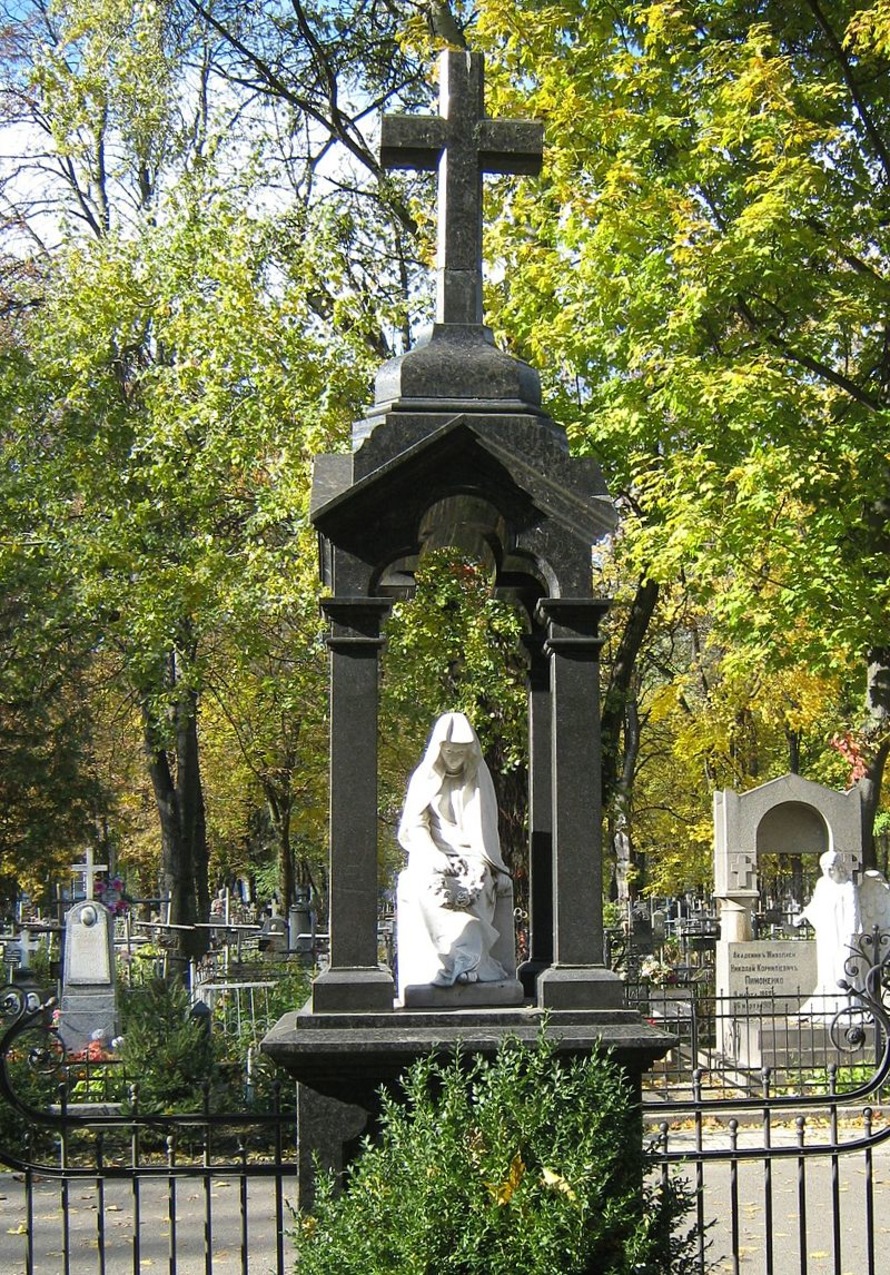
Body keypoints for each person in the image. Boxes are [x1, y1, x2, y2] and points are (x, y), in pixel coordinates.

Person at [396, 712, 514, 990]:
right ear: (439, 749)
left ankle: (466, 962)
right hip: (431, 853)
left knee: (480, 884)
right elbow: (415, 825)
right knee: (430, 888)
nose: (454, 758)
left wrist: (490, 865)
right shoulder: (424, 778)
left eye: (460, 752)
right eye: (449, 751)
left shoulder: (478, 778)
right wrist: (433, 855)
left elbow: (486, 829)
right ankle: (459, 960)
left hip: (472, 854)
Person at [794, 850, 861, 1018]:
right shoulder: (822, 884)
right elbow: (816, 904)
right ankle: (828, 1003)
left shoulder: (847, 887)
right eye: (824, 869)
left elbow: (854, 913)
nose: (828, 872)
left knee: (842, 968)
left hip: (842, 935)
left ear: (839, 867)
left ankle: (845, 1005)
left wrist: (851, 935)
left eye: (831, 868)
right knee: (827, 969)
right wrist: (802, 915)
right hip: (827, 934)